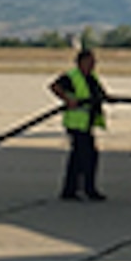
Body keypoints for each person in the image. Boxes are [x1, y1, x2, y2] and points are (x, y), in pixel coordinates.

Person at [50, 48, 108, 201]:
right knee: (87, 156)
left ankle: (71, 190)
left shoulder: (91, 77)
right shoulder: (72, 76)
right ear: (81, 62)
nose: (93, 65)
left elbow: (99, 93)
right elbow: (55, 87)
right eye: (90, 62)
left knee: (79, 157)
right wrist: (68, 99)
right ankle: (87, 189)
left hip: (86, 123)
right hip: (76, 123)